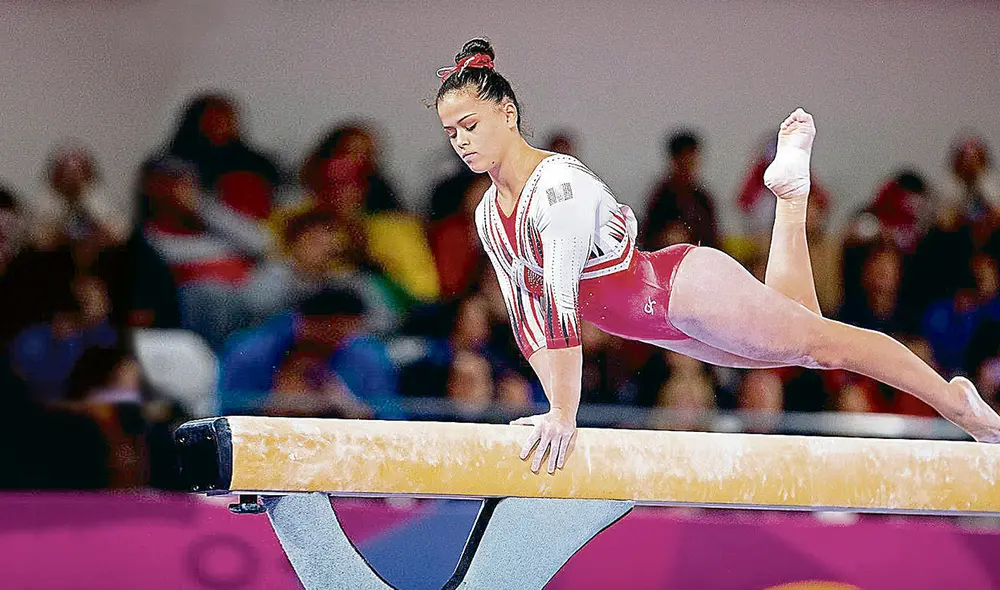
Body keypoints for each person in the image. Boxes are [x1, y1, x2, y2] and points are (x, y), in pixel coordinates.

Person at [433, 38, 1000, 474]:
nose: (461, 140)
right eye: (451, 130)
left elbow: (558, 308)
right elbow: (529, 318)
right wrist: (556, 406)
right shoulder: (488, 215)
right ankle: (790, 193)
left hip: (678, 287)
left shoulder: (557, 187)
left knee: (824, 344)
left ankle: (955, 401)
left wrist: (562, 413)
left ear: (508, 113)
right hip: (662, 323)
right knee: (802, 336)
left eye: (471, 123)